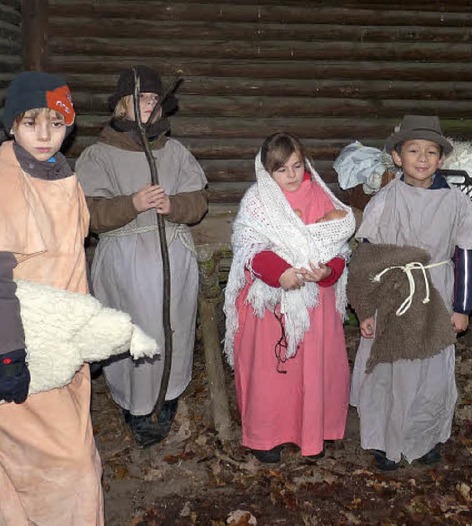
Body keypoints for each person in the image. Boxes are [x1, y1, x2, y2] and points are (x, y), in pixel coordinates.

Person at [350, 115, 472, 471]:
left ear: (441, 159)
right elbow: (367, 258)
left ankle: (424, 437)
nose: (423, 158)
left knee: (430, 370)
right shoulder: (385, 199)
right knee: (391, 368)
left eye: (431, 152)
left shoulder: (455, 202)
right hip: (393, 296)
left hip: (437, 294)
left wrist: (462, 308)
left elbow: (465, 253)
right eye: (414, 150)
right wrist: (366, 309)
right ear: (398, 157)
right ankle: (385, 439)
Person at [75, 66, 208, 447]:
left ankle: (166, 398)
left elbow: (198, 201)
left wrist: (174, 204)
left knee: (174, 330)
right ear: (121, 106)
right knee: (134, 332)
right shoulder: (98, 155)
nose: (148, 105)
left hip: (174, 259)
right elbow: (90, 213)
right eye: (140, 99)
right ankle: (135, 404)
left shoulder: (175, 151)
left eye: (153, 100)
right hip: (125, 263)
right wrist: (132, 204)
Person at [0, 72, 104, 524]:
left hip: (64, 346)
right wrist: (8, 356)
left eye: (56, 123)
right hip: (23, 349)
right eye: (31, 123)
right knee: (70, 469)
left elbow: (72, 263)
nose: (45, 135)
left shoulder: (62, 175)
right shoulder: (6, 181)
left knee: (65, 462)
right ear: (11, 126)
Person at [223, 132, 355, 463]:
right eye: (282, 169)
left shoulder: (323, 197)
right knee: (273, 374)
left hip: (314, 303)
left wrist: (328, 272)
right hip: (271, 304)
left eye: (297, 165)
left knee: (313, 370)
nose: (292, 175)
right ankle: (267, 436)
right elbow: (248, 248)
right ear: (267, 172)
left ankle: (313, 431)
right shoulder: (258, 200)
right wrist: (278, 271)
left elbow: (339, 247)